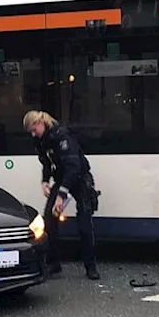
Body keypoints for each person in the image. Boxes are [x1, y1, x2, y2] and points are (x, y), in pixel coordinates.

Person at [25, 110, 100, 281]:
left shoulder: (62, 137)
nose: (32, 134)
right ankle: (53, 264)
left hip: (79, 179)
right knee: (49, 220)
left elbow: (73, 167)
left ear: (40, 123)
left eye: (33, 129)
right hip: (61, 178)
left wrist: (61, 195)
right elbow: (46, 162)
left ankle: (91, 266)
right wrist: (45, 181)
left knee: (84, 223)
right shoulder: (41, 140)